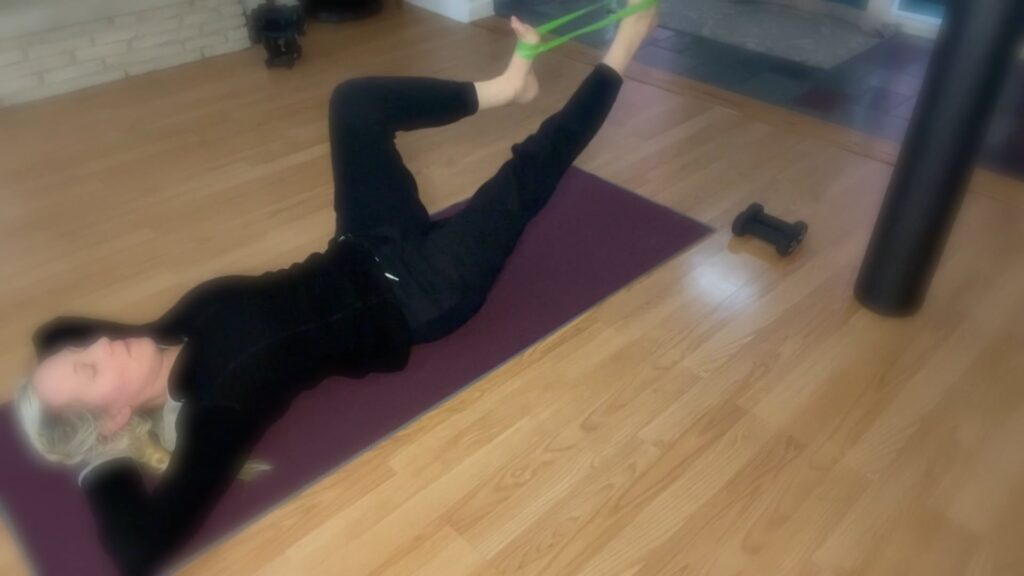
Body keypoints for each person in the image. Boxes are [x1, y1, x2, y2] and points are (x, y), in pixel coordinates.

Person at [12, 4, 659, 575]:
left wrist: (62, 382)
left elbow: (56, 331)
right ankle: (627, 45)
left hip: (364, 242)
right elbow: (136, 553)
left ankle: (508, 84)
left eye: (86, 350)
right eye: (91, 367)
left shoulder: (166, 328)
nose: (99, 340)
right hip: (420, 298)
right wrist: (100, 456)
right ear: (117, 418)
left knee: (353, 104)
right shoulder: (218, 404)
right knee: (528, 172)